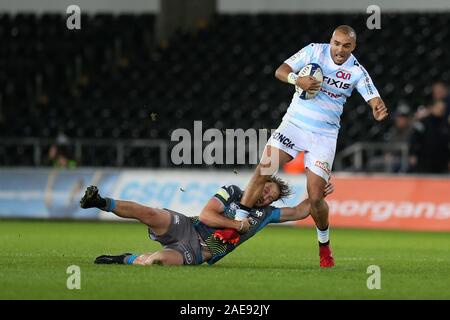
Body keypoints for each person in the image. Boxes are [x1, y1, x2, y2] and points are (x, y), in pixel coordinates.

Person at [214, 25, 388, 268]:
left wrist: (377, 107)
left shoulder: (356, 71)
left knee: (316, 197)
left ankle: (324, 245)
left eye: (346, 46)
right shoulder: (314, 52)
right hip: (294, 125)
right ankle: (237, 226)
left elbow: (374, 98)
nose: (339, 49)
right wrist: (298, 80)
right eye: (336, 43)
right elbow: (280, 71)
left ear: (353, 47)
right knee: (265, 168)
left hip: (324, 135)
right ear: (331, 41)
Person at [79, 178, 334, 266]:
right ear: (259, 184)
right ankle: (101, 201)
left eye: (271, 197)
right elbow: (206, 216)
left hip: (198, 252)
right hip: (188, 226)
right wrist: (236, 225)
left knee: (156, 261)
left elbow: (302, 211)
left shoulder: (267, 215)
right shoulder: (233, 191)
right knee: (150, 213)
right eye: (266, 189)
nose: (266, 196)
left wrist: (319, 189)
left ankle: (125, 258)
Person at [409, 100, 450, 173]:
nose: (440, 110)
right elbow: (414, 138)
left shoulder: (446, 124)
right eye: (438, 108)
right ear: (433, 108)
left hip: (442, 160)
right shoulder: (424, 122)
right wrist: (412, 153)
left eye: (442, 109)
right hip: (425, 160)